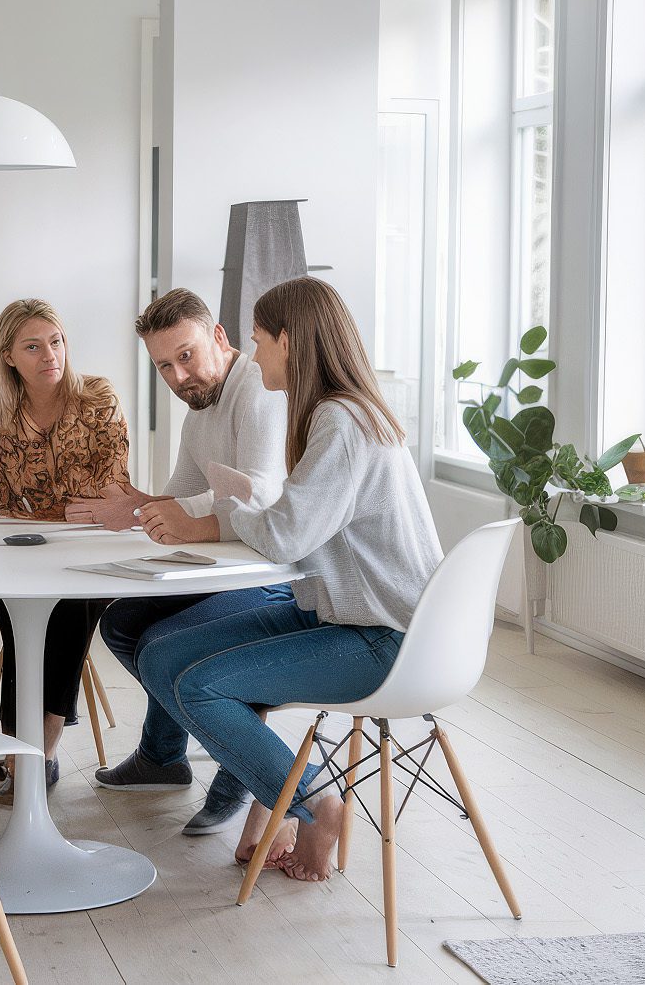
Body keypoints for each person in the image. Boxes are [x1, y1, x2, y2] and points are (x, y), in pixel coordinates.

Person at [136, 276, 445, 883]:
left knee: (199, 687)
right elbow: (290, 523)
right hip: (337, 610)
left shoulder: (341, 423)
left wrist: (220, 516)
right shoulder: (338, 414)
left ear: (290, 340)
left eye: (258, 340)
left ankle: (312, 802)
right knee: (161, 657)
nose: (255, 355)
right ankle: (273, 801)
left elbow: (285, 536)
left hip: (384, 638)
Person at [68, 289, 293, 836]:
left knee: (165, 642)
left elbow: (260, 498)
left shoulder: (258, 393)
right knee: (123, 621)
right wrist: (137, 505)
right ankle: (163, 757)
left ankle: (243, 765)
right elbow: (183, 495)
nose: (178, 376)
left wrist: (158, 507)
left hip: (274, 573)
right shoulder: (200, 413)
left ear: (219, 336)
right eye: (164, 365)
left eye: (186, 356)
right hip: (225, 563)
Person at [0, 298, 129, 804]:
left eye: (56, 341)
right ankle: (32, 749)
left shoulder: (98, 399)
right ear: (9, 356)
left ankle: (34, 747)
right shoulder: (0, 415)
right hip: (24, 552)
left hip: (91, 553)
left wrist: (53, 516)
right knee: (26, 601)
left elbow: (112, 488)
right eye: (33, 346)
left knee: (68, 600)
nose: (49, 355)